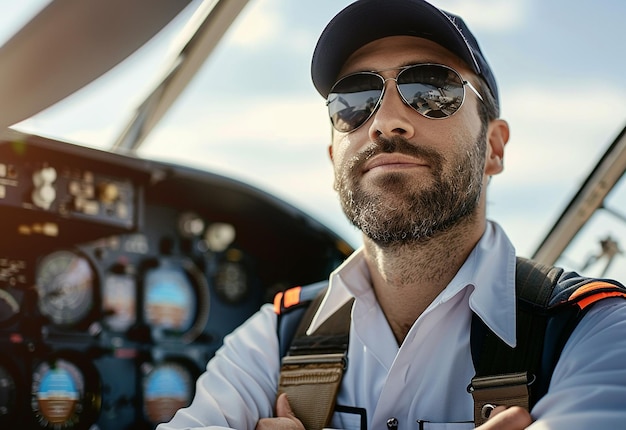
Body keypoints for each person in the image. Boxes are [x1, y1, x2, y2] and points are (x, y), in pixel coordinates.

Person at [157, 1, 626, 429]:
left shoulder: (598, 331)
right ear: (333, 156)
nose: (384, 121)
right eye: (354, 102)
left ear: (494, 148)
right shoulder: (272, 340)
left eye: (431, 90)